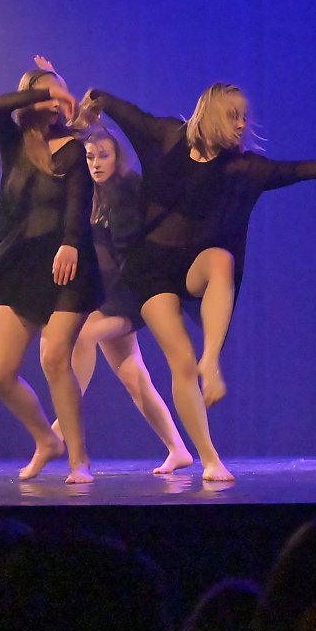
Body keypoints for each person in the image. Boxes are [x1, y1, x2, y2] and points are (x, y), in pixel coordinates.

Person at [80, 83, 316, 482]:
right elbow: (127, 112)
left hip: (192, 265)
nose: (242, 124)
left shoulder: (241, 168)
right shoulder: (167, 137)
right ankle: (209, 458)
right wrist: (95, 100)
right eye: (234, 116)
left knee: (221, 261)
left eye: (244, 116)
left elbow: (293, 171)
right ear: (211, 115)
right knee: (179, 362)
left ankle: (211, 358)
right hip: (150, 270)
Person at [0, 62, 101, 483]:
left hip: (68, 264)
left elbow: (78, 205)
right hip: (21, 266)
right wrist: (43, 90)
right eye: (47, 97)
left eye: (61, 96)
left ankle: (79, 460)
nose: (56, 103)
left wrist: (69, 242)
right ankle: (47, 440)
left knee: (53, 357)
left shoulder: (73, 149)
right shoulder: (13, 142)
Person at [64, 116, 191, 474]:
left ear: (117, 157)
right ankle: (177, 448)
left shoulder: (126, 189)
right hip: (107, 296)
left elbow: (131, 249)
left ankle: (64, 415)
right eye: (89, 157)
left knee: (82, 335)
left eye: (102, 155)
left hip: (129, 296)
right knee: (133, 376)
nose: (95, 163)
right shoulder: (94, 195)